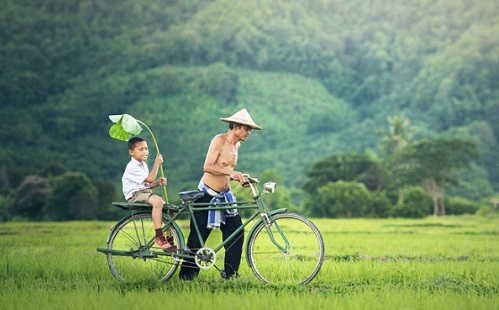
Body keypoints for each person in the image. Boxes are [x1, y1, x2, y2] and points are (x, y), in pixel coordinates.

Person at [179, 108, 262, 280]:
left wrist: (241, 177)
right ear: (236, 126)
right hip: (206, 195)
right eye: (247, 129)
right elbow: (208, 166)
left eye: (250, 130)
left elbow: (227, 170)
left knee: (236, 232)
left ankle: (231, 274)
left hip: (225, 196)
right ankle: (186, 278)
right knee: (197, 238)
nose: (248, 133)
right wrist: (232, 174)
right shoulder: (219, 140)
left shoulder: (236, 145)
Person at [122, 136, 176, 252]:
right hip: (135, 195)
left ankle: (170, 239)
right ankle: (159, 236)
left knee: (170, 209)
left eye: (146, 149)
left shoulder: (143, 165)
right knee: (157, 201)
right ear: (131, 152)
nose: (145, 151)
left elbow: (147, 184)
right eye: (141, 149)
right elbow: (150, 179)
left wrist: (158, 183)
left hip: (144, 193)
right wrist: (157, 164)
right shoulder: (132, 166)